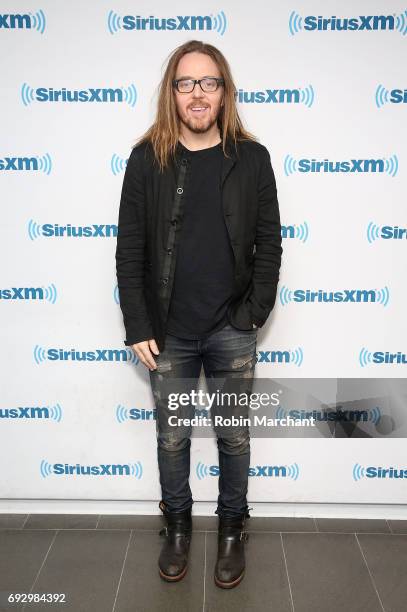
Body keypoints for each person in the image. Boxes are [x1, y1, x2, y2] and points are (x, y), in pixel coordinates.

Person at [115, 39, 282, 589]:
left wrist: (253, 314)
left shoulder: (252, 159)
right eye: (186, 83)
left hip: (231, 330)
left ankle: (233, 530)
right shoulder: (147, 159)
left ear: (224, 91)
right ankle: (178, 529)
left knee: (233, 437)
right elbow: (130, 248)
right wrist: (138, 324)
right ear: (172, 93)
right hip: (169, 335)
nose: (197, 94)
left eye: (208, 83)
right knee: (172, 438)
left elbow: (268, 242)